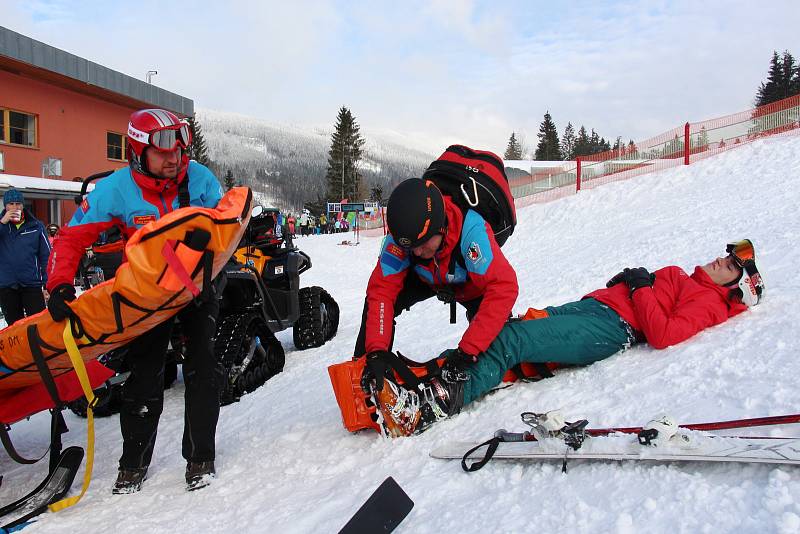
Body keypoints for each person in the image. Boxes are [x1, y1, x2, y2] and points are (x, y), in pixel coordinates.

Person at [368, 239, 765, 438]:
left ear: (738, 286)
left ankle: (424, 410)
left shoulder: (711, 302)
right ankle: (427, 378)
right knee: (511, 327)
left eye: (730, 265)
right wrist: (629, 283)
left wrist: (640, 287)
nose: (720, 260)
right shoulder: (688, 276)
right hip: (595, 308)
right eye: (725, 255)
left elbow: (663, 334)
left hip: (613, 329)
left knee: (512, 339)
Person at [45, 108, 225, 493]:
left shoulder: (200, 179)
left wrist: (210, 240)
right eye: (164, 151)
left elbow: (229, 221)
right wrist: (60, 284)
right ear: (137, 150)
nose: (175, 157)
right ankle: (133, 463)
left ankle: (200, 458)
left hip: (196, 286)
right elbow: (70, 237)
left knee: (203, 368)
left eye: (181, 148)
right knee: (145, 374)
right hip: (148, 294)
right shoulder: (117, 188)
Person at [355, 177, 519, 388]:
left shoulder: (472, 231)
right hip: (427, 277)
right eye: (410, 247)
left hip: (470, 283)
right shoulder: (402, 238)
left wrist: (468, 350)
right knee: (375, 306)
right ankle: (365, 375)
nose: (416, 251)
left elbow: (503, 287)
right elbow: (381, 292)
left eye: (422, 244)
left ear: (441, 227)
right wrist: (376, 351)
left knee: (493, 340)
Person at [0, 189, 51, 326]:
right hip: (7, 286)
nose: (15, 207)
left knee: (38, 325)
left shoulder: (36, 226)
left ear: (23, 206)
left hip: (31, 285)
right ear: (5, 206)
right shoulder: (2, 226)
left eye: (18, 204)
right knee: (14, 329)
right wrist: (2, 223)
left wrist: (47, 283)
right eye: (11, 204)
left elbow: (46, 256)